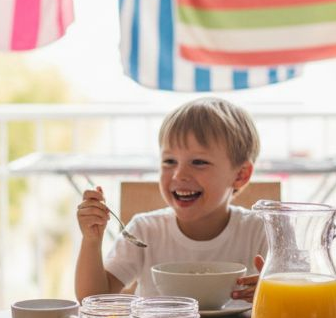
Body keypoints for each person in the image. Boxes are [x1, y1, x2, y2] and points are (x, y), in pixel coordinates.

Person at [75, 96, 267, 301]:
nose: (178, 175)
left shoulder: (260, 231)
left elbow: (296, 291)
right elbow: (92, 298)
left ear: (240, 175)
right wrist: (91, 240)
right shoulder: (144, 230)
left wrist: (270, 291)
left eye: (199, 162)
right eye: (169, 161)